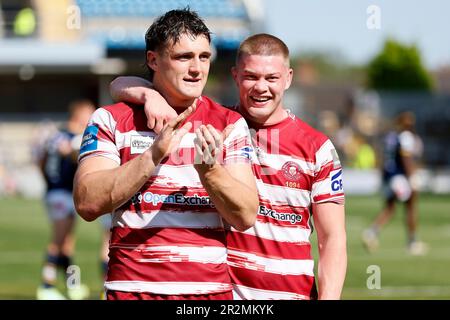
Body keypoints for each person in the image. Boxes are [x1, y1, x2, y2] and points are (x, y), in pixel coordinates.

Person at [110, 33, 347, 300]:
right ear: (235, 76)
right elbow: (119, 83)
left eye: (272, 78)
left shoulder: (317, 147)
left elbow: (332, 239)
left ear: (288, 78)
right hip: (223, 295)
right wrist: (148, 95)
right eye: (251, 77)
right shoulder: (216, 123)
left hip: (292, 294)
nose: (261, 87)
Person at [73, 9, 258, 300]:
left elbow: (247, 214)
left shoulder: (229, 124)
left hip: (207, 295)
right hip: (132, 291)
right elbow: (86, 202)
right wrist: (151, 156)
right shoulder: (109, 119)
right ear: (153, 60)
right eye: (183, 57)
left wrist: (210, 172)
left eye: (204, 56)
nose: (197, 68)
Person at [36, 99, 95, 300]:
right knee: (58, 241)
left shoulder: (56, 135)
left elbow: (41, 161)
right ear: (78, 115)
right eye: (89, 113)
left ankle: (73, 285)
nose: (92, 117)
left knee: (67, 244)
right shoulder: (75, 139)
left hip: (54, 193)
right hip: (62, 194)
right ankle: (46, 286)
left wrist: (49, 183)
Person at [362, 111, 426, 255]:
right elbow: (406, 158)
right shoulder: (406, 137)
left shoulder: (391, 136)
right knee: (411, 206)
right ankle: (412, 242)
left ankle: (371, 232)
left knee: (390, 208)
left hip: (389, 177)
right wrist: (412, 176)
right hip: (400, 178)